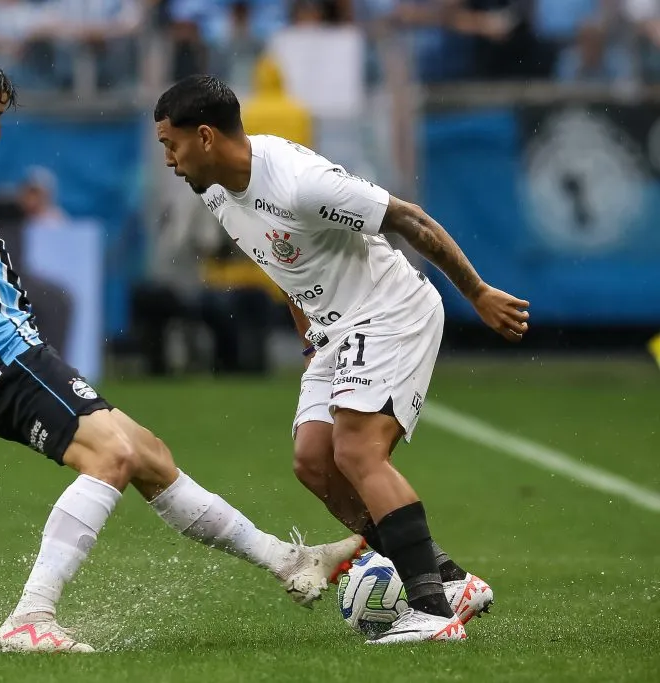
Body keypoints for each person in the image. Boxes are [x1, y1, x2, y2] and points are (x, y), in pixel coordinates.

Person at [0, 51, 363, 654]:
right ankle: (31, 617)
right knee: (114, 457)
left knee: (150, 455)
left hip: (7, 355)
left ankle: (288, 560)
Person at [153, 75, 530, 644]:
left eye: (171, 145)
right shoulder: (215, 191)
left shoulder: (304, 184)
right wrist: (309, 335)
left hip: (391, 310)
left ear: (204, 136)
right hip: (336, 330)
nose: (167, 160)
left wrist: (476, 292)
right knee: (314, 462)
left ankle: (431, 613)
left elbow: (412, 219)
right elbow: (286, 264)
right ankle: (450, 581)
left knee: (357, 450)